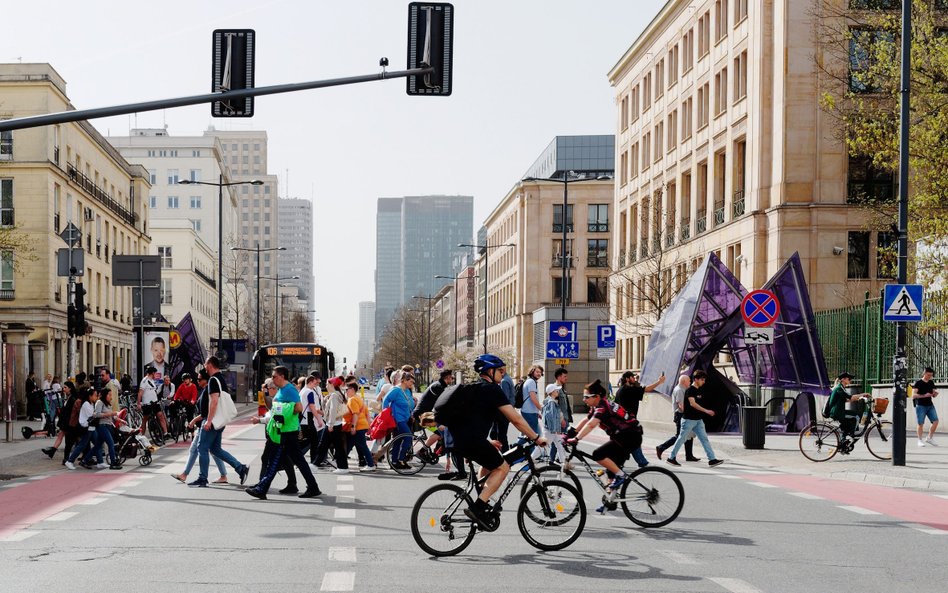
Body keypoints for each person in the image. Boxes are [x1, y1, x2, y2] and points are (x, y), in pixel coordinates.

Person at [436, 354, 546, 530]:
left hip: (457, 439)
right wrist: (536, 437)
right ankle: (478, 507)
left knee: (489, 461)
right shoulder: (492, 390)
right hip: (470, 440)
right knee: (503, 467)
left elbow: (470, 419)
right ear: (490, 371)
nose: (503, 374)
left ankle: (482, 495)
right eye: (500, 370)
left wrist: (487, 440)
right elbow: (516, 419)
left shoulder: (474, 388)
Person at [245, 365, 321, 499]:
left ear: (282, 376)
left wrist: (284, 411)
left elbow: (299, 407)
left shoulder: (289, 389)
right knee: (293, 460)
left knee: (274, 460)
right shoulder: (281, 390)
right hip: (281, 429)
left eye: (274, 376)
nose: (272, 379)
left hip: (286, 431)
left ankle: (262, 488)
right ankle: (310, 486)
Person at [568, 379, 647, 505]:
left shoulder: (603, 407)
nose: (584, 400)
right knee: (611, 469)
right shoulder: (598, 406)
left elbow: (591, 425)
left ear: (596, 396)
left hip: (629, 436)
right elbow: (586, 420)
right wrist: (571, 432)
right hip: (624, 436)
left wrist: (577, 439)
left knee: (598, 454)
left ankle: (621, 477)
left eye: (586, 397)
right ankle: (612, 499)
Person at [189, 356, 250, 488]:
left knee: (202, 448)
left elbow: (214, 401)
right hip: (220, 421)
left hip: (213, 421)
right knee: (215, 449)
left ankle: (202, 478)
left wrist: (208, 421)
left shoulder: (213, 381)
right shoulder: (220, 379)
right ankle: (240, 468)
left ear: (210, 365)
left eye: (205, 364)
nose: (204, 367)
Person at [171, 370, 228, 484]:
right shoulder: (204, 389)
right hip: (208, 422)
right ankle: (224, 474)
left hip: (208, 423)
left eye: (199, 379)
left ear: (205, 380)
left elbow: (206, 411)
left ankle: (238, 468)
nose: (197, 381)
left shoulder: (208, 390)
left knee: (204, 449)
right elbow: (178, 394)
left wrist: (203, 421)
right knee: (212, 450)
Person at [665, 370, 725, 467]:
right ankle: (671, 458)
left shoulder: (700, 390)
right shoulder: (690, 390)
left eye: (704, 380)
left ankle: (712, 459)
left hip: (698, 420)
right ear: (696, 379)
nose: (703, 382)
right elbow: (693, 404)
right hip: (688, 420)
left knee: (704, 439)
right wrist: (706, 411)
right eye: (702, 379)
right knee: (681, 438)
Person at [656, 374, 699, 462]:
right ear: (684, 381)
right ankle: (661, 447)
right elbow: (681, 405)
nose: (690, 382)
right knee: (680, 436)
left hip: (683, 415)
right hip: (680, 415)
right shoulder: (680, 390)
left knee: (689, 434)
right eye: (689, 381)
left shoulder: (683, 389)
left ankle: (689, 455)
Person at [383, 371, 417, 470]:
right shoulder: (396, 390)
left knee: (398, 440)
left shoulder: (406, 390)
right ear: (404, 381)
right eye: (411, 381)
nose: (412, 384)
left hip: (405, 418)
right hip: (398, 419)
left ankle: (394, 462)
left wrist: (411, 413)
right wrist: (387, 415)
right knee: (408, 437)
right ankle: (401, 459)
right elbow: (386, 400)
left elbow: (409, 403)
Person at [65, 388, 106, 470]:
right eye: (95, 395)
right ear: (90, 396)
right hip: (86, 428)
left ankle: (100, 462)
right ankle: (69, 461)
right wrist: (104, 414)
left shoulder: (91, 404)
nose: (96, 397)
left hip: (91, 428)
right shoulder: (86, 404)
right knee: (82, 445)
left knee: (97, 444)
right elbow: (93, 416)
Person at [826, 372, 870, 448]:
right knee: (856, 416)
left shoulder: (841, 388)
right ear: (843, 379)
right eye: (849, 378)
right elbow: (850, 397)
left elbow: (846, 399)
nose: (850, 380)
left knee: (848, 422)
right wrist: (863, 394)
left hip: (839, 411)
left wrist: (858, 398)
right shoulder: (839, 388)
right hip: (837, 413)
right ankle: (851, 436)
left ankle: (843, 440)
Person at [42, 380, 78, 460]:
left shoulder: (72, 398)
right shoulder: (68, 397)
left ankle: (67, 458)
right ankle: (53, 452)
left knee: (71, 441)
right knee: (61, 436)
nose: (63, 389)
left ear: (70, 389)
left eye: (65, 387)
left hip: (69, 422)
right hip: (65, 421)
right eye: (63, 387)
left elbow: (71, 412)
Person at [344, 382, 376, 471]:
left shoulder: (352, 400)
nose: (346, 391)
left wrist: (353, 426)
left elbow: (355, 413)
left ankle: (370, 464)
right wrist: (369, 426)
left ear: (352, 390)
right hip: (362, 425)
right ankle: (340, 462)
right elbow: (367, 413)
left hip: (358, 426)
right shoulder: (359, 399)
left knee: (362, 446)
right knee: (350, 445)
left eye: (347, 389)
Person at [92, 386, 122, 469]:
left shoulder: (108, 404)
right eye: (109, 395)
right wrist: (110, 414)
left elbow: (112, 416)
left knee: (98, 446)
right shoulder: (99, 402)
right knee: (111, 443)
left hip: (108, 426)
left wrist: (121, 420)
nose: (111, 397)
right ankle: (113, 463)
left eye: (111, 395)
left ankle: (85, 460)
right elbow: (96, 414)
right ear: (105, 395)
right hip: (102, 426)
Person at [138, 366, 170, 439]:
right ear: (152, 373)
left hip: (155, 402)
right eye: (155, 373)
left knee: (160, 415)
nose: (156, 375)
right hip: (147, 403)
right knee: (145, 419)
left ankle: (165, 433)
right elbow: (140, 393)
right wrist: (138, 403)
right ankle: (142, 436)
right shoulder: (144, 381)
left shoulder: (152, 380)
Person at [299, 373, 325, 463]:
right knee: (313, 441)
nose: (315, 385)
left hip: (303, 419)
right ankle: (313, 461)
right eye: (314, 383)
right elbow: (312, 407)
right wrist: (318, 419)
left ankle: (298, 457)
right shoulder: (310, 392)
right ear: (310, 382)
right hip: (308, 419)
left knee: (309, 440)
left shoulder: (302, 391)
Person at [518, 365, 544, 450]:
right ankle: (517, 447)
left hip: (529, 411)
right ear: (532, 372)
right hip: (529, 412)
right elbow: (533, 397)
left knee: (532, 433)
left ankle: (534, 453)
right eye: (537, 372)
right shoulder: (531, 382)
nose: (539, 374)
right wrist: (541, 409)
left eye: (540, 372)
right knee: (533, 434)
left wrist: (537, 412)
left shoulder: (530, 381)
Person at [912, 367, 939, 447]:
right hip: (920, 406)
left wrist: (935, 394)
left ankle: (929, 438)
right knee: (920, 423)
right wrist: (924, 395)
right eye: (928, 375)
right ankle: (919, 440)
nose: (929, 377)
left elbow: (933, 394)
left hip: (930, 405)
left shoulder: (931, 382)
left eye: (931, 375)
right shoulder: (918, 383)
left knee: (935, 421)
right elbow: (913, 395)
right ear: (924, 373)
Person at [490, 369, 516, 450]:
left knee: (500, 434)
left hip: (503, 412)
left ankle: (505, 454)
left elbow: (504, 398)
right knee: (497, 433)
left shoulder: (504, 381)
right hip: (505, 411)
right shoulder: (508, 379)